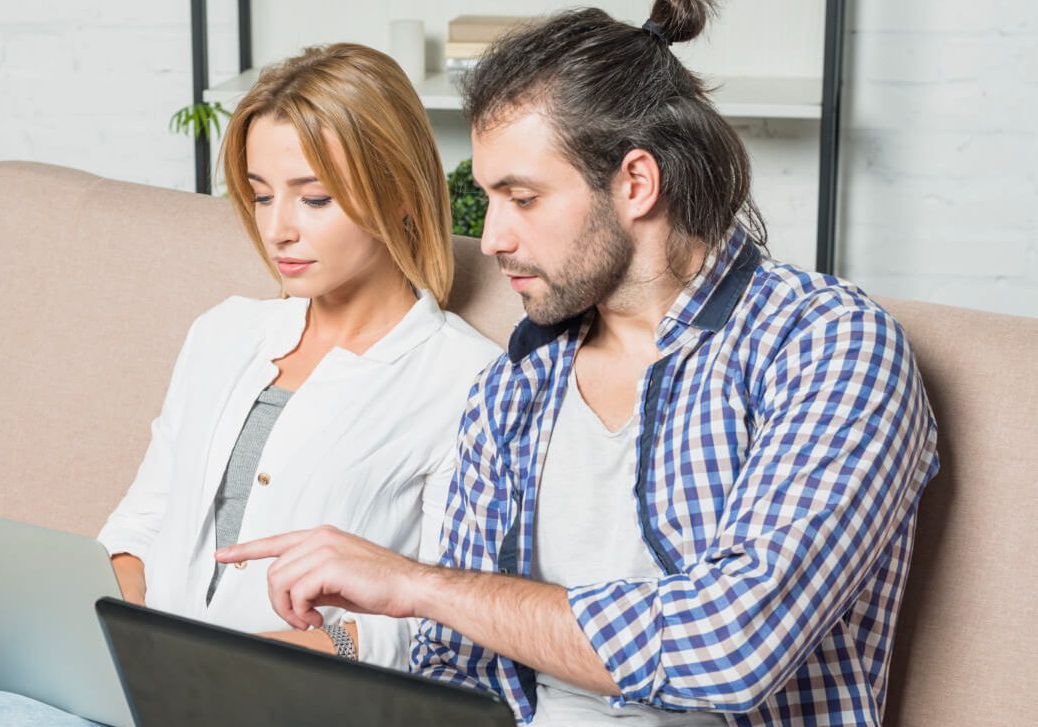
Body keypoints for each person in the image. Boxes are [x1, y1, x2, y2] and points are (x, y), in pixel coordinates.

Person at [217, 3, 940, 725]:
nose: (492, 236)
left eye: (521, 198)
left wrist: (418, 584)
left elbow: (733, 645)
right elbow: (456, 669)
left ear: (635, 183)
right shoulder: (514, 388)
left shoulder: (828, 345)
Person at [0, 43, 501, 726]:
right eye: (259, 194)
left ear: (397, 191)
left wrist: (255, 659)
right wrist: (112, 632)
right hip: (141, 692)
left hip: (287, 703)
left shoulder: (465, 381)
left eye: (314, 197)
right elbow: (142, 522)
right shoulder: (224, 333)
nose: (278, 228)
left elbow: (442, 617)